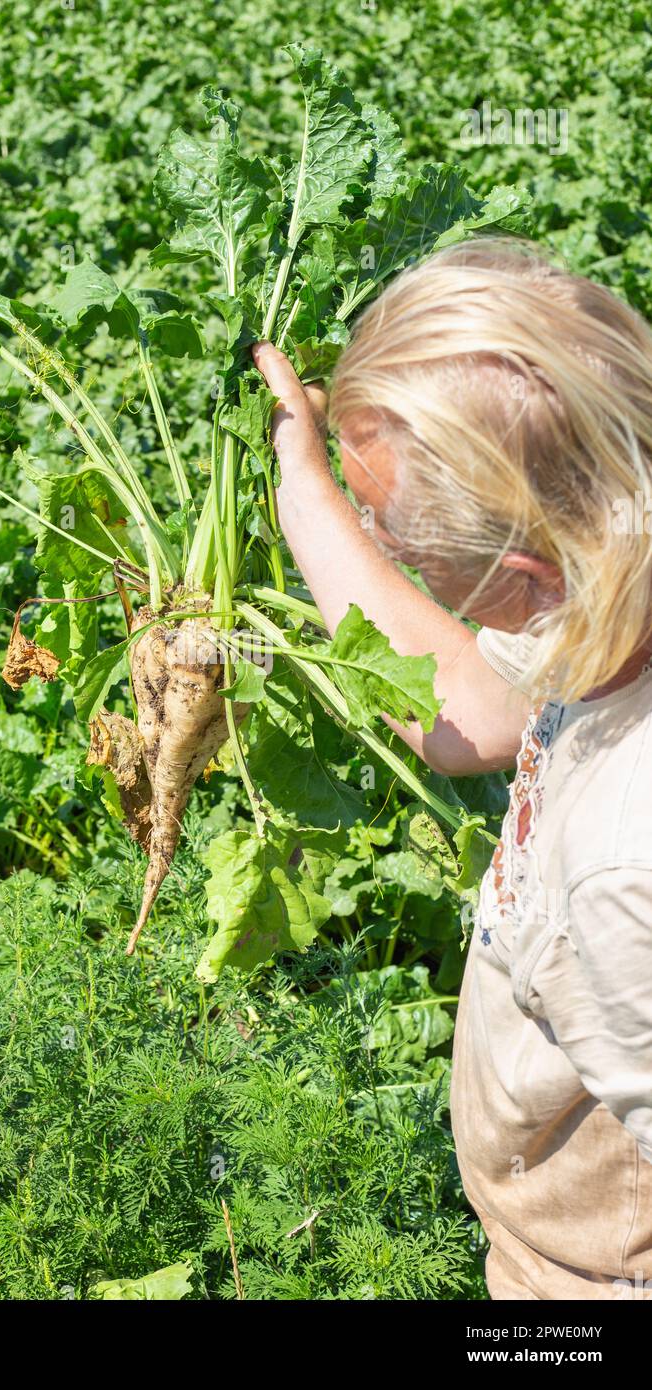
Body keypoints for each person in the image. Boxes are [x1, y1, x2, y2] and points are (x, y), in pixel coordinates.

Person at [253, 237, 652, 1301]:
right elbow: (467, 713)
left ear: (519, 574)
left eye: (404, 547)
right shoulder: (611, 576)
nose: (379, 544)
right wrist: (306, 489)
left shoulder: (618, 868)